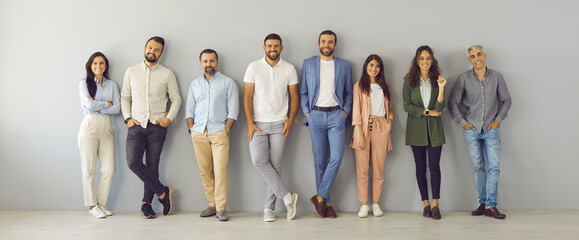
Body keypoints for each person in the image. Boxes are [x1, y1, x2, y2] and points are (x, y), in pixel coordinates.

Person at [121, 36, 181, 219]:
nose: (151, 52)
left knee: (152, 165)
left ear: (161, 53)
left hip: (157, 126)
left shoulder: (167, 73)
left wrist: (168, 118)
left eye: (156, 50)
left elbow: (176, 99)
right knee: (133, 163)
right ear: (145, 48)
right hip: (136, 125)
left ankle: (146, 204)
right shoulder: (131, 71)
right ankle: (163, 193)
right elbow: (125, 97)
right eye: (149, 48)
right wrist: (127, 118)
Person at [448, 45, 511, 220]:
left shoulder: (497, 77)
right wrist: (464, 123)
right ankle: (483, 204)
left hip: (491, 129)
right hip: (472, 130)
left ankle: (491, 205)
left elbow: (506, 100)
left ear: (485, 55)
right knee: (478, 168)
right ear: (469, 60)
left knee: (494, 168)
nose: (477, 58)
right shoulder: (464, 79)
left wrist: (498, 120)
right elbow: (452, 102)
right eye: (472, 56)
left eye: (479, 54)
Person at [243, 33, 299, 222]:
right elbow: (247, 97)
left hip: (280, 124)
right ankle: (287, 196)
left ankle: (268, 209)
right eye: (269, 46)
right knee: (258, 160)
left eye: (276, 46)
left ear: (281, 48)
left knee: (276, 166)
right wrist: (250, 123)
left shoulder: (289, 68)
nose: (272, 49)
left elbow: (294, 96)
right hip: (258, 124)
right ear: (264, 47)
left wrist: (290, 120)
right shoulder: (253, 67)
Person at [300, 30, 353, 218]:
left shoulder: (344, 66)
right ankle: (327, 203)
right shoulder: (308, 64)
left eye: (330, 42)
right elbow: (303, 91)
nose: (326, 45)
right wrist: (308, 113)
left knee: (337, 157)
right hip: (315, 116)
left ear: (335, 45)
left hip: (336, 116)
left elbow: (348, 93)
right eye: (323, 41)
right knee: (320, 162)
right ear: (318, 43)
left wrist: (344, 112)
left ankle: (320, 196)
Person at [186, 49, 239, 221]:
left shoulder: (228, 82)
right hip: (199, 133)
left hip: (219, 133)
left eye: (211, 61)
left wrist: (226, 129)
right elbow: (189, 110)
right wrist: (192, 129)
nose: (208, 64)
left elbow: (233, 110)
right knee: (204, 171)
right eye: (205, 61)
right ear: (201, 63)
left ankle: (221, 208)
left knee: (220, 170)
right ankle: (212, 205)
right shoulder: (194, 84)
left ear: (217, 62)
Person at [402, 45, 447, 220]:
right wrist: (428, 112)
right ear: (417, 61)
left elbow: (440, 107)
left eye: (428, 58)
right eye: (422, 58)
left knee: (435, 167)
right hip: (416, 130)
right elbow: (407, 106)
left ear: (432, 60)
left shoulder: (438, 80)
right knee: (420, 168)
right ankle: (425, 204)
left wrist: (442, 88)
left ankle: (436, 205)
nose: (425, 61)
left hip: (435, 131)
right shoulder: (409, 81)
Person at [349, 54, 393, 218]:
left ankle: (375, 202)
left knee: (378, 168)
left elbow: (390, 110)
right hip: (363, 128)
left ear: (380, 69)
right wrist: (359, 132)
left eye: (377, 66)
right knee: (362, 168)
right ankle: (364, 204)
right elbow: (356, 110)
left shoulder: (385, 86)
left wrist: (388, 125)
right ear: (366, 66)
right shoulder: (359, 86)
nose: (374, 68)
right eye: (371, 65)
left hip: (382, 128)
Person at [78, 52, 120, 218]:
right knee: (89, 169)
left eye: (101, 63)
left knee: (109, 169)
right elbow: (87, 105)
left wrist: (97, 105)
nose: (98, 66)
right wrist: (106, 104)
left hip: (107, 127)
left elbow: (117, 108)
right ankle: (92, 205)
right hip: (89, 126)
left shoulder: (112, 85)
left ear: (106, 66)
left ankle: (100, 204)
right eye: (95, 63)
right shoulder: (84, 84)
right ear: (90, 65)